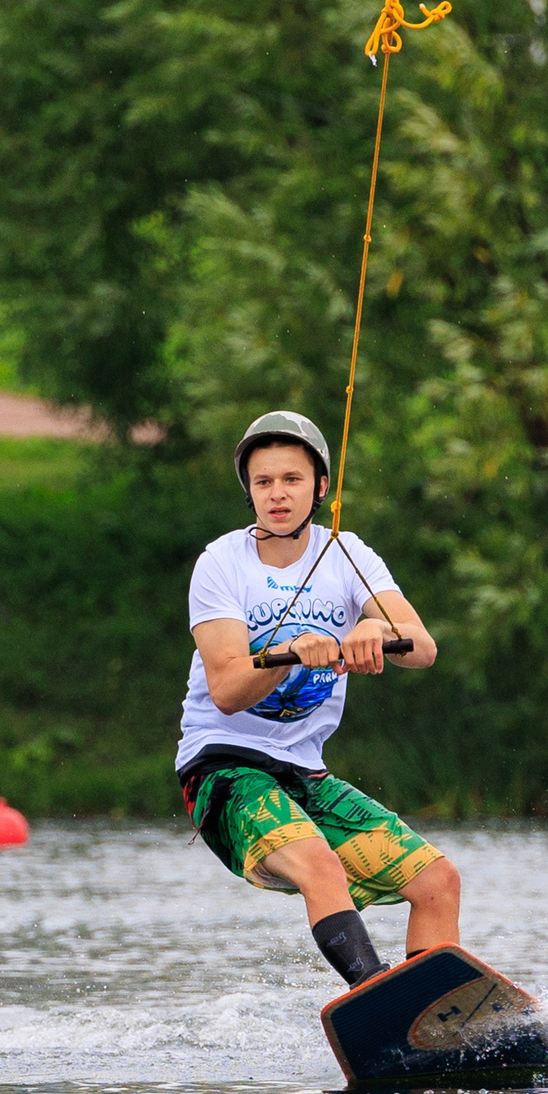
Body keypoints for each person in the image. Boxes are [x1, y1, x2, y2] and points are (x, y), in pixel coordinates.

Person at [176, 410, 460, 989]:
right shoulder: (221, 563)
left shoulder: (347, 553)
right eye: (263, 483)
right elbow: (227, 690)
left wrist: (372, 633)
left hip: (305, 773)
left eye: (292, 479)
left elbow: (422, 648)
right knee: (319, 864)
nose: (277, 495)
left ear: (321, 487)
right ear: (249, 492)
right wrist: (288, 651)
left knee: (438, 881)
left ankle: (435, 1010)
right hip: (223, 768)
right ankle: (377, 997)